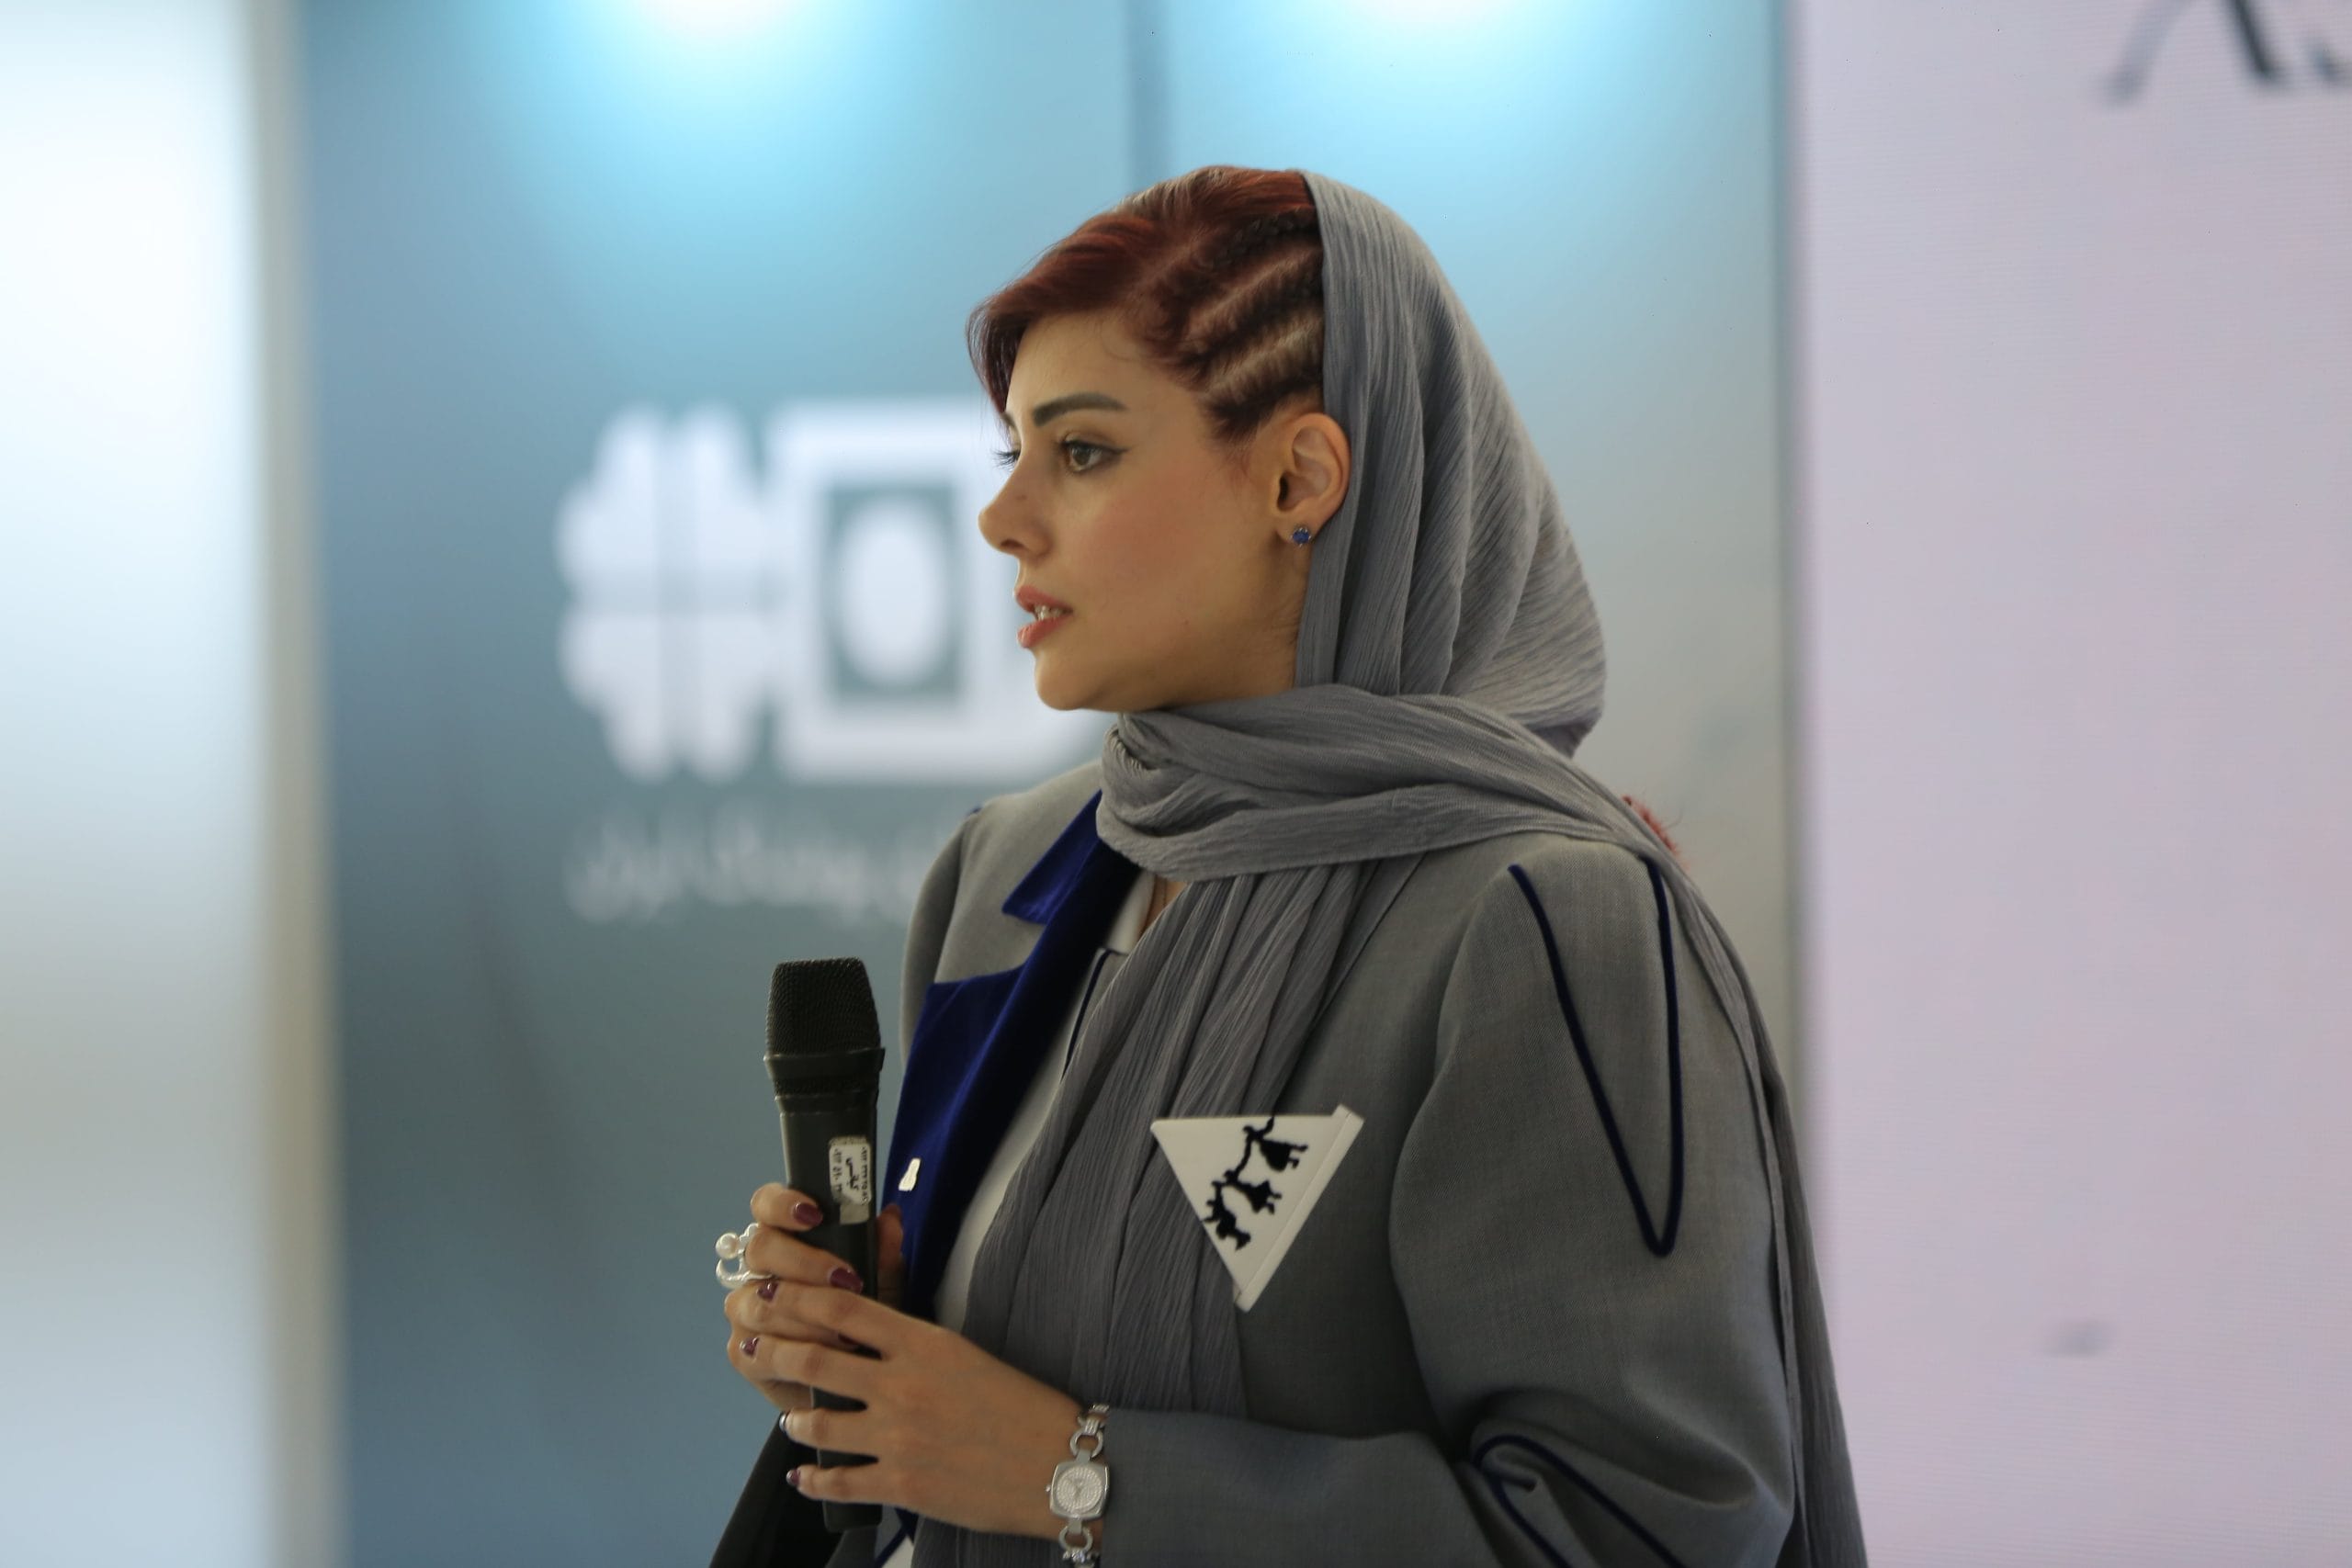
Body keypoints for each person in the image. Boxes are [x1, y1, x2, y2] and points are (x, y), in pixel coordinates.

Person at [714, 165, 1866, 1567]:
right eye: (1010, 452)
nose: (1002, 516)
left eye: (1082, 452)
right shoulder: (1004, 875)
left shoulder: (1544, 921)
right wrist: (864, 1364)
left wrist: (1080, 1479)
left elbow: (1642, 1530)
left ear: (1298, 479)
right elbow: (975, 1435)